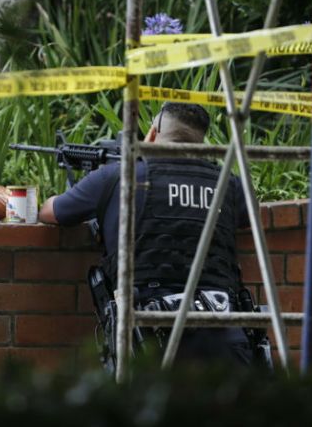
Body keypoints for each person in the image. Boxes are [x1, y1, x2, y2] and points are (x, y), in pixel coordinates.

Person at [39, 102, 270, 369]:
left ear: (153, 132)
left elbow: (51, 212)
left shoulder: (117, 177)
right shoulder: (230, 185)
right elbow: (250, 217)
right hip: (225, 337)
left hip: (148, 339)